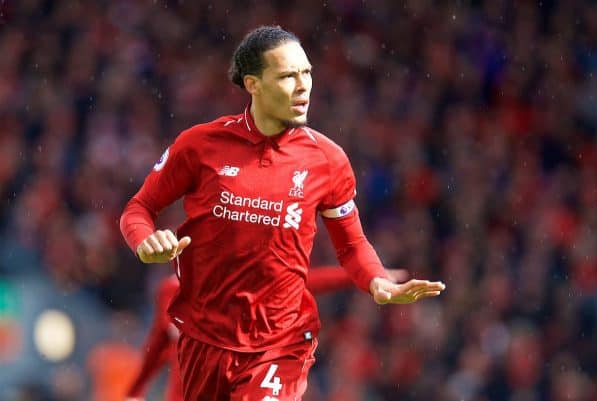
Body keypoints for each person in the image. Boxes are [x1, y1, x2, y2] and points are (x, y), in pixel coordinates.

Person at [120, 25, 445, 401]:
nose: (303, 85)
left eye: (306, 73)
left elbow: (352, 245)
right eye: (288, 76)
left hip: (280, 343)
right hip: (204, 338)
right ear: (253, 84)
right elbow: (139, 208)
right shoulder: (200, 146)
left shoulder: (327, 160)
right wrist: (145, 241)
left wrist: (376, 281)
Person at [124, 267, 408, 401]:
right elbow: (158, 344)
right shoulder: (170, 291)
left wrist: (364, 275)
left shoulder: (240, 286)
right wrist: (134, 393)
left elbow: (308, 281)